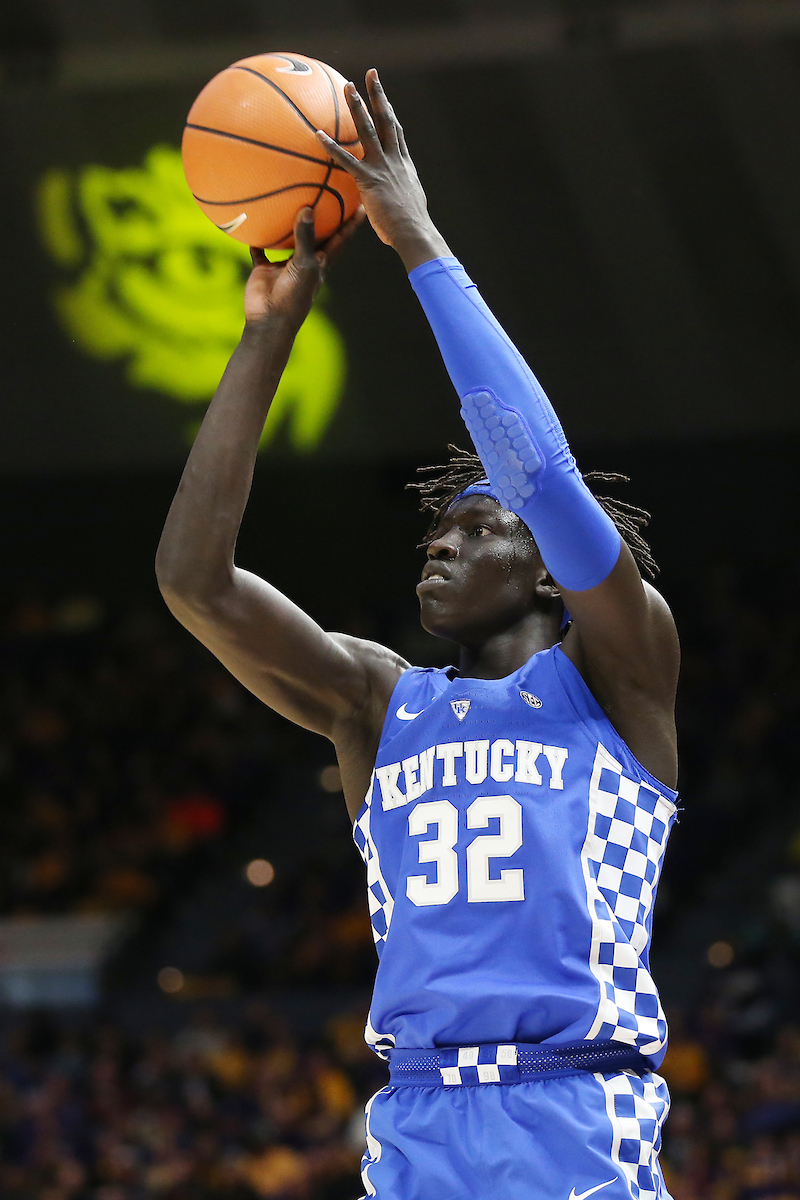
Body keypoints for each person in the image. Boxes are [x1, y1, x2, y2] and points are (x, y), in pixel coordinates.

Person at [156, 70, 680, 1200]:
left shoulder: (625, 678)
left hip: (574, 1111)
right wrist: (266, 339)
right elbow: (194, 582)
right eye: (434, 535)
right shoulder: (376, 704)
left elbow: (535, 471)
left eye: (474, 529)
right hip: (416, 1127)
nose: (435, 549)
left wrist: (414, 236)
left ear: (543, 561)